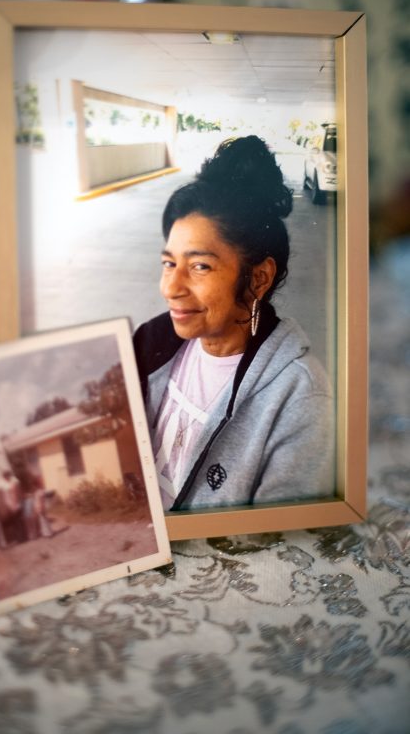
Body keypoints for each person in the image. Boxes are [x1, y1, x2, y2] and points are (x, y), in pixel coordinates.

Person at [134, 135, 334, 512]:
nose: (171, 287)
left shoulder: (299, 399)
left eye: (200, 266)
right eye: (169, 263)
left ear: (259, 278)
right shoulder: (150, 343)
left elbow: (280, 539)